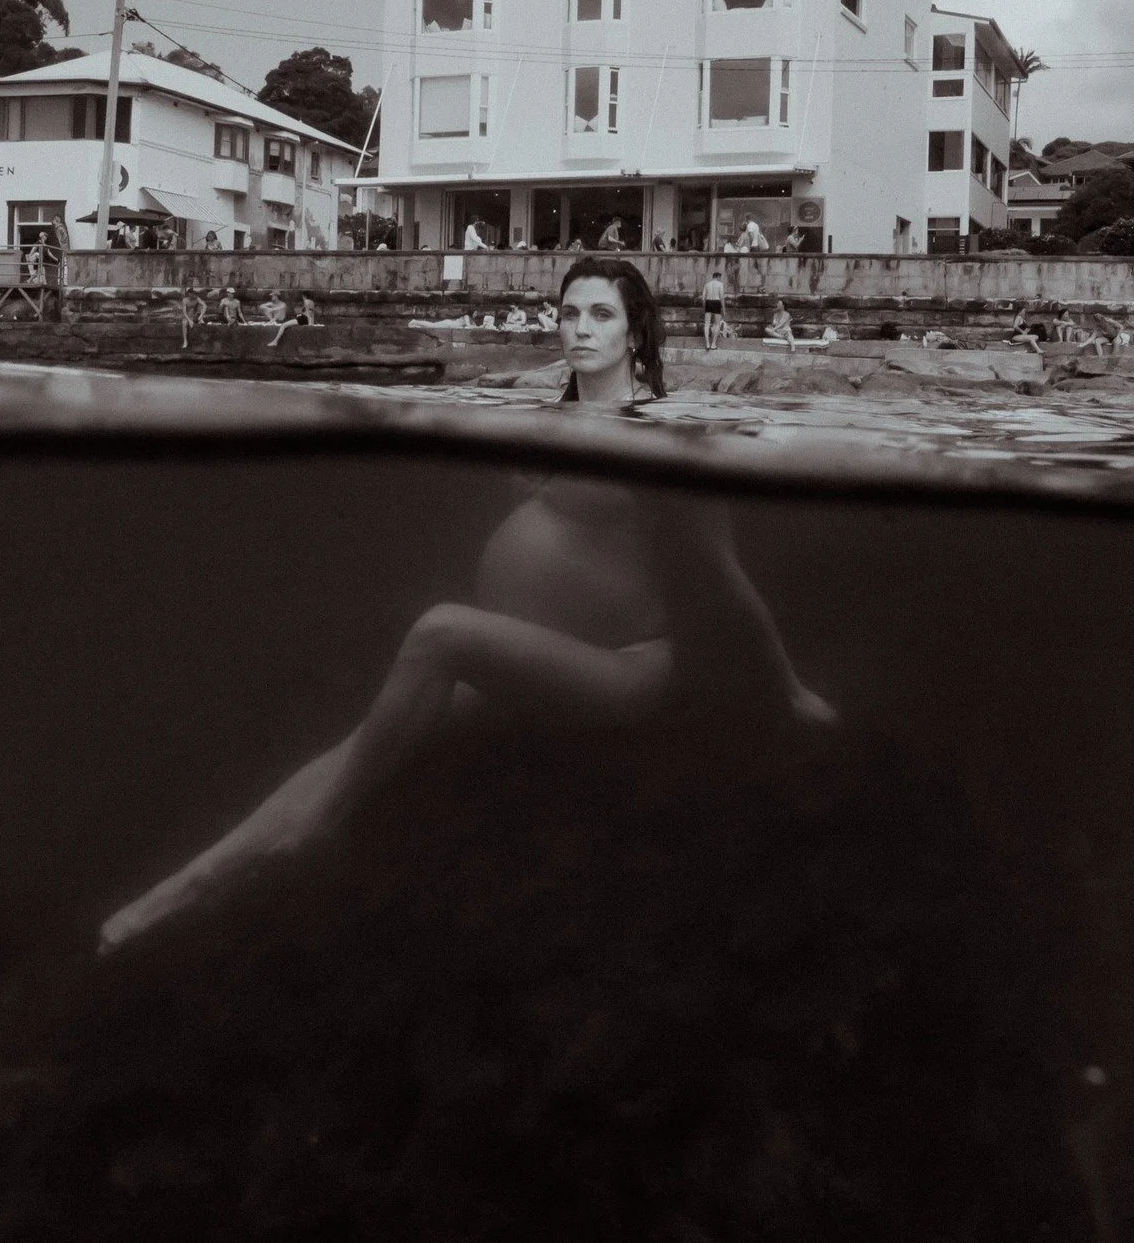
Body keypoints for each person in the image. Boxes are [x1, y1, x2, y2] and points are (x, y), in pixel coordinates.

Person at [99, 253, 835, 953]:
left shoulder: (668, 436)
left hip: (628, 669)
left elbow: (720, 573)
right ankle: (175, 895)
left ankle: (319, 828)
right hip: (538, 657)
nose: (580, 328)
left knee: (440, 633)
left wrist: (790, 692)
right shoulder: (542, 419)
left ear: (635, 333)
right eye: (570, 312)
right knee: (357, 743)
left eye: (601, 315)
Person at [702, 269, 726, 352]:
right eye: (720, 278)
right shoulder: (720, 284)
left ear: (713, 277)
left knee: (707, 324)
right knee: (717, 324)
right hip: (716, 302)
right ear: (718, 277)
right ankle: (713, 344)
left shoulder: (707, 284)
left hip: (708, 302)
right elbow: (722, 297)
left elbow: (703, 298)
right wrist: (724, 309)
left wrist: (704, 307)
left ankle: (707, 343)